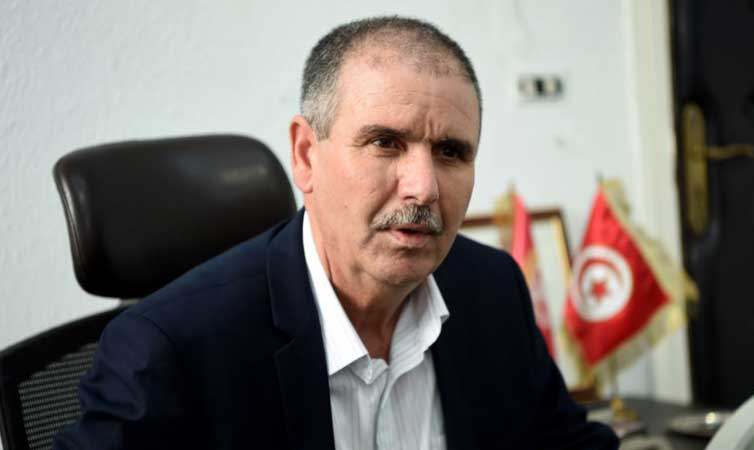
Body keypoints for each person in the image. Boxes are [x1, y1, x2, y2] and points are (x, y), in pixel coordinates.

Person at [55, 16, 618, 450]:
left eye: (451, 151)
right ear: (306, 155)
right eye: (385, 143)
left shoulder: (492, 287)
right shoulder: (166, 349)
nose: (423, 188)